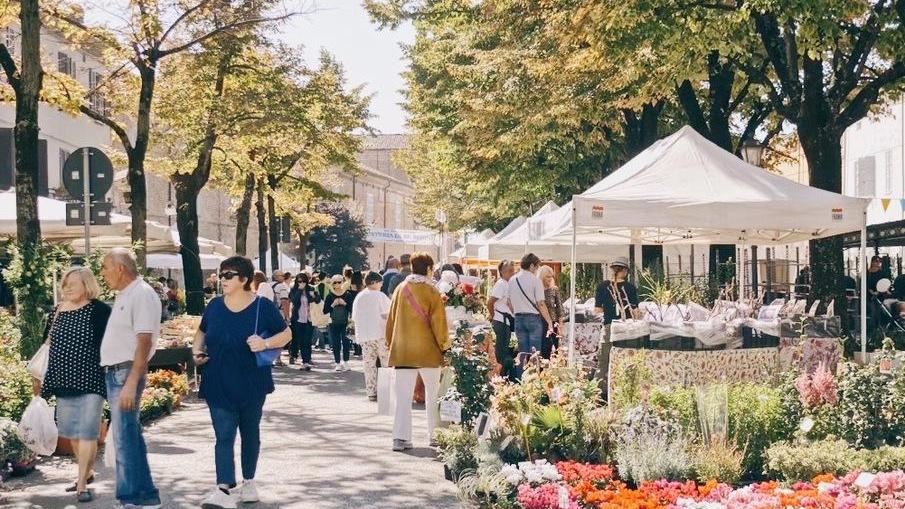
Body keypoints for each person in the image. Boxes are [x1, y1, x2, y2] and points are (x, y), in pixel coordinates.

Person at [192, 256, 291, 509]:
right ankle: (224, 488)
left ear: (244, 279)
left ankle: (249, 482)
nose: (222, 279)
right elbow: (202, 331)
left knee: (250, 433)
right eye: (221, 274)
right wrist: (196, 351)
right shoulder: (214, 305)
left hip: (251, 380)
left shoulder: (263, 306)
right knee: (223, 434)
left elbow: (286, 333)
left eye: (228, 275)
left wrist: (265, 343)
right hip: (217, 377)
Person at [39, 267, 111, 503]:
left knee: (88, 431)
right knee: (72, 434)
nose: (67, 288)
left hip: (91, 379)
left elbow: (109, 345)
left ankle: (81, 484)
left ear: (87, 285)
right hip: (62, 379)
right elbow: (46, 346)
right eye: (65, 283)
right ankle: (87, 471)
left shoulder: (99, 310)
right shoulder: (56, 312)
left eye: (73, 284)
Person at [98, 248, 162, 509]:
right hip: (118, 372)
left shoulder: (141, 294)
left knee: (124, 439)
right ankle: (145, 496)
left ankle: (131, 499)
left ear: (120, 268)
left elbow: (144, 342)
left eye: (105, 267)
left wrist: (132, 382)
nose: (102, 273)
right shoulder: (128, 294)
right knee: (129, 437)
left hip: (125, 373)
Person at [385, 252, 449, 451]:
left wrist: (391, 344)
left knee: (403, 398)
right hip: (428, 352)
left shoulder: (400, 289)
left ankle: (400, 438)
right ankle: (435, 436)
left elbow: (391, 320)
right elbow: (439, 324)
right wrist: (445, 347)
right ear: (429, 269)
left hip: (403, 351)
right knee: (433, 395)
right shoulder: (432, 292)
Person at [593, 257, 639, 398]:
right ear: (625, 271)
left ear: (612, 269)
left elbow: (597, 310)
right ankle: (623, 391)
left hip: (609, 326)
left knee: (603, 360)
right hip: (626, 328)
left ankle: (598, 393)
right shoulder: (630, 288)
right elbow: (635, 312)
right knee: (626, 359)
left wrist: (609, 309)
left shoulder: (602, 286)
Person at [508, 253, 554, 372]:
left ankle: (520, 381)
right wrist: (549, 321)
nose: (537, 269)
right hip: (533, 318)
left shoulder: (512, 280)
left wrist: (516, 312)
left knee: (522, 353)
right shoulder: (535, 281)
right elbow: (541, 303)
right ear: (532, 265)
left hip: (518, 318)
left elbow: (509, 302)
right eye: (537, 266)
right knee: (534, 352)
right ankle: (533, 382)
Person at [351, 271, 392, 401]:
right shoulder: (380, 296)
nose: (381, 285)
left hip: (365, 335)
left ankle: (371, 391)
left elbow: (354, 317)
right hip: (380, 334)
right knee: (385, 364)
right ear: (374, 282)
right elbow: (388, 314)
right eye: (380, 282)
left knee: (369, 365)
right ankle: (386, 391)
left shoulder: (359, 296)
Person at [488, 260, 516, 380]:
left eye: (512, 271)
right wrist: (493, 315)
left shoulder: (507, 284)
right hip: (501, 321)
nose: (512, 273)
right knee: (501, 351)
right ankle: (500, 377)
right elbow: (490, 302)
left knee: (503, 349)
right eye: (509, 271)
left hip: (505, 321)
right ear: (502, 272)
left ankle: (502, 376)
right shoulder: (501, 284)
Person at [323, 275, 356, 371]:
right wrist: (333, 304)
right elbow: (325, 310)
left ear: (342, 282)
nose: (337, 284)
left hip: (346, 322)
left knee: (346, 342)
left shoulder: (348, 295)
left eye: (339, 282)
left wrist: (344, 303)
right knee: (335, 343)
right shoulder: (330, 296)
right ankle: (337, 362)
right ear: (332, 284)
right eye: (335, 282)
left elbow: (352, 308)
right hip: (333, 322)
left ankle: (346, 362)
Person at [289, 273, 321, 370]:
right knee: (300, 340)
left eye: (303, 281)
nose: (301, 283)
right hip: (297, 319)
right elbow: (294, 301)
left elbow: (318, 300)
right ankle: (299, 358)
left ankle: (306, 361)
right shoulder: (294, 290)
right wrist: (299, 290)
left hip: (309, 318)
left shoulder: (310, 289)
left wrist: (315, 296)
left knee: (307, 341)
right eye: (299, 281)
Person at [537, 265, 564, 359]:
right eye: (548, 276)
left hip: (553, 322)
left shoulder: (554, 289)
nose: (550, 278)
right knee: (543, 347)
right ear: (542, 277)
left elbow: (560, 308)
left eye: (551, 276)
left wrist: (560, 326)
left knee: (555, 348)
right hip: (540, 322)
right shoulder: (537, 289)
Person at [349, 271, 365, 357]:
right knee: (361, 330)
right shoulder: (363, 287)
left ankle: (356, 349)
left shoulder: (350, 287)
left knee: (354, 330)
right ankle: (361, 348)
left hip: (353, 310)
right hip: (362, 311)